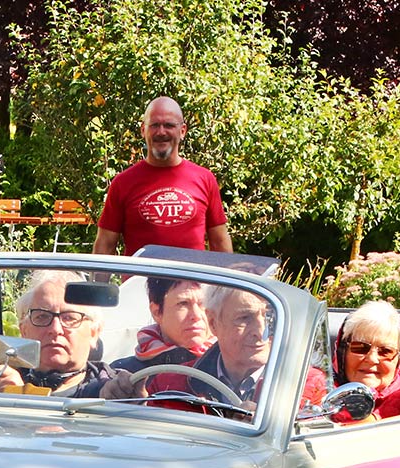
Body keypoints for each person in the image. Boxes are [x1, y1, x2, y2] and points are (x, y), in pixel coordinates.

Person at [92, 97, 232, 256]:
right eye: (154, 125)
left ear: (182, 131)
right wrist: (97, 281)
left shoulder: (205, 179)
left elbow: (219, 241)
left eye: (169, 125)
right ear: (143, 130)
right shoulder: (123, 183)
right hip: (140, 281)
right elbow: (105, 244)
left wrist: (227, 279)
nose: (161, 132)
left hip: (189, 281)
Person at [0, 270, 113, 397]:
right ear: (24, 330)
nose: (55, 329)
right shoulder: (0, 385)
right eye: (42, 316)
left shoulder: (113, 391)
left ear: (94, 333)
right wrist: (6, 398)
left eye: (69, 318)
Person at [146, 284, 272, 412]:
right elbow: (146, 428)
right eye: (244, 318)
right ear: (213, 323)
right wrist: (136, 401)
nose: (261, 332)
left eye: (269, 317)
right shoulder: (170, 388)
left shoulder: (291, 393)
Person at [328, 299, 400, 420]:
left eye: (386, 351)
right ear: (342, 352)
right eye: (360, 348)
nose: (372, 359)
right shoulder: (316, 387)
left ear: (399, 358)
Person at [109, 276, 215, 373]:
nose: (196, 315)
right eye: (183, 303)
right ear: (156, 312)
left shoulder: (226, 367)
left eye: (203, 303)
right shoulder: (124, 373)